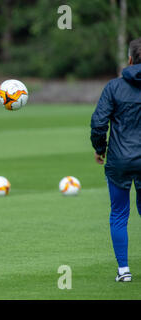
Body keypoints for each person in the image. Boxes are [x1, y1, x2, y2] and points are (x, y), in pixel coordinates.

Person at [91, 37, 141, 282]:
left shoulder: (113, 87)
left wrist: (99, 148)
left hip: (119, 160)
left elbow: (98, 123)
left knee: (120, 213)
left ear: (130, 59)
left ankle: (124, 271)